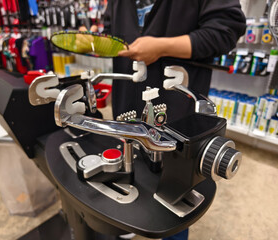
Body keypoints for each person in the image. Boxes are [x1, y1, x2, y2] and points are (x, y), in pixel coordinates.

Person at [101, 1, 246, 240]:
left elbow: (226, 29)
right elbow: (111, 24)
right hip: (127, 104)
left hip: (179, 113)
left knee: (175, 200)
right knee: (129, 176)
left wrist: (161, 47)